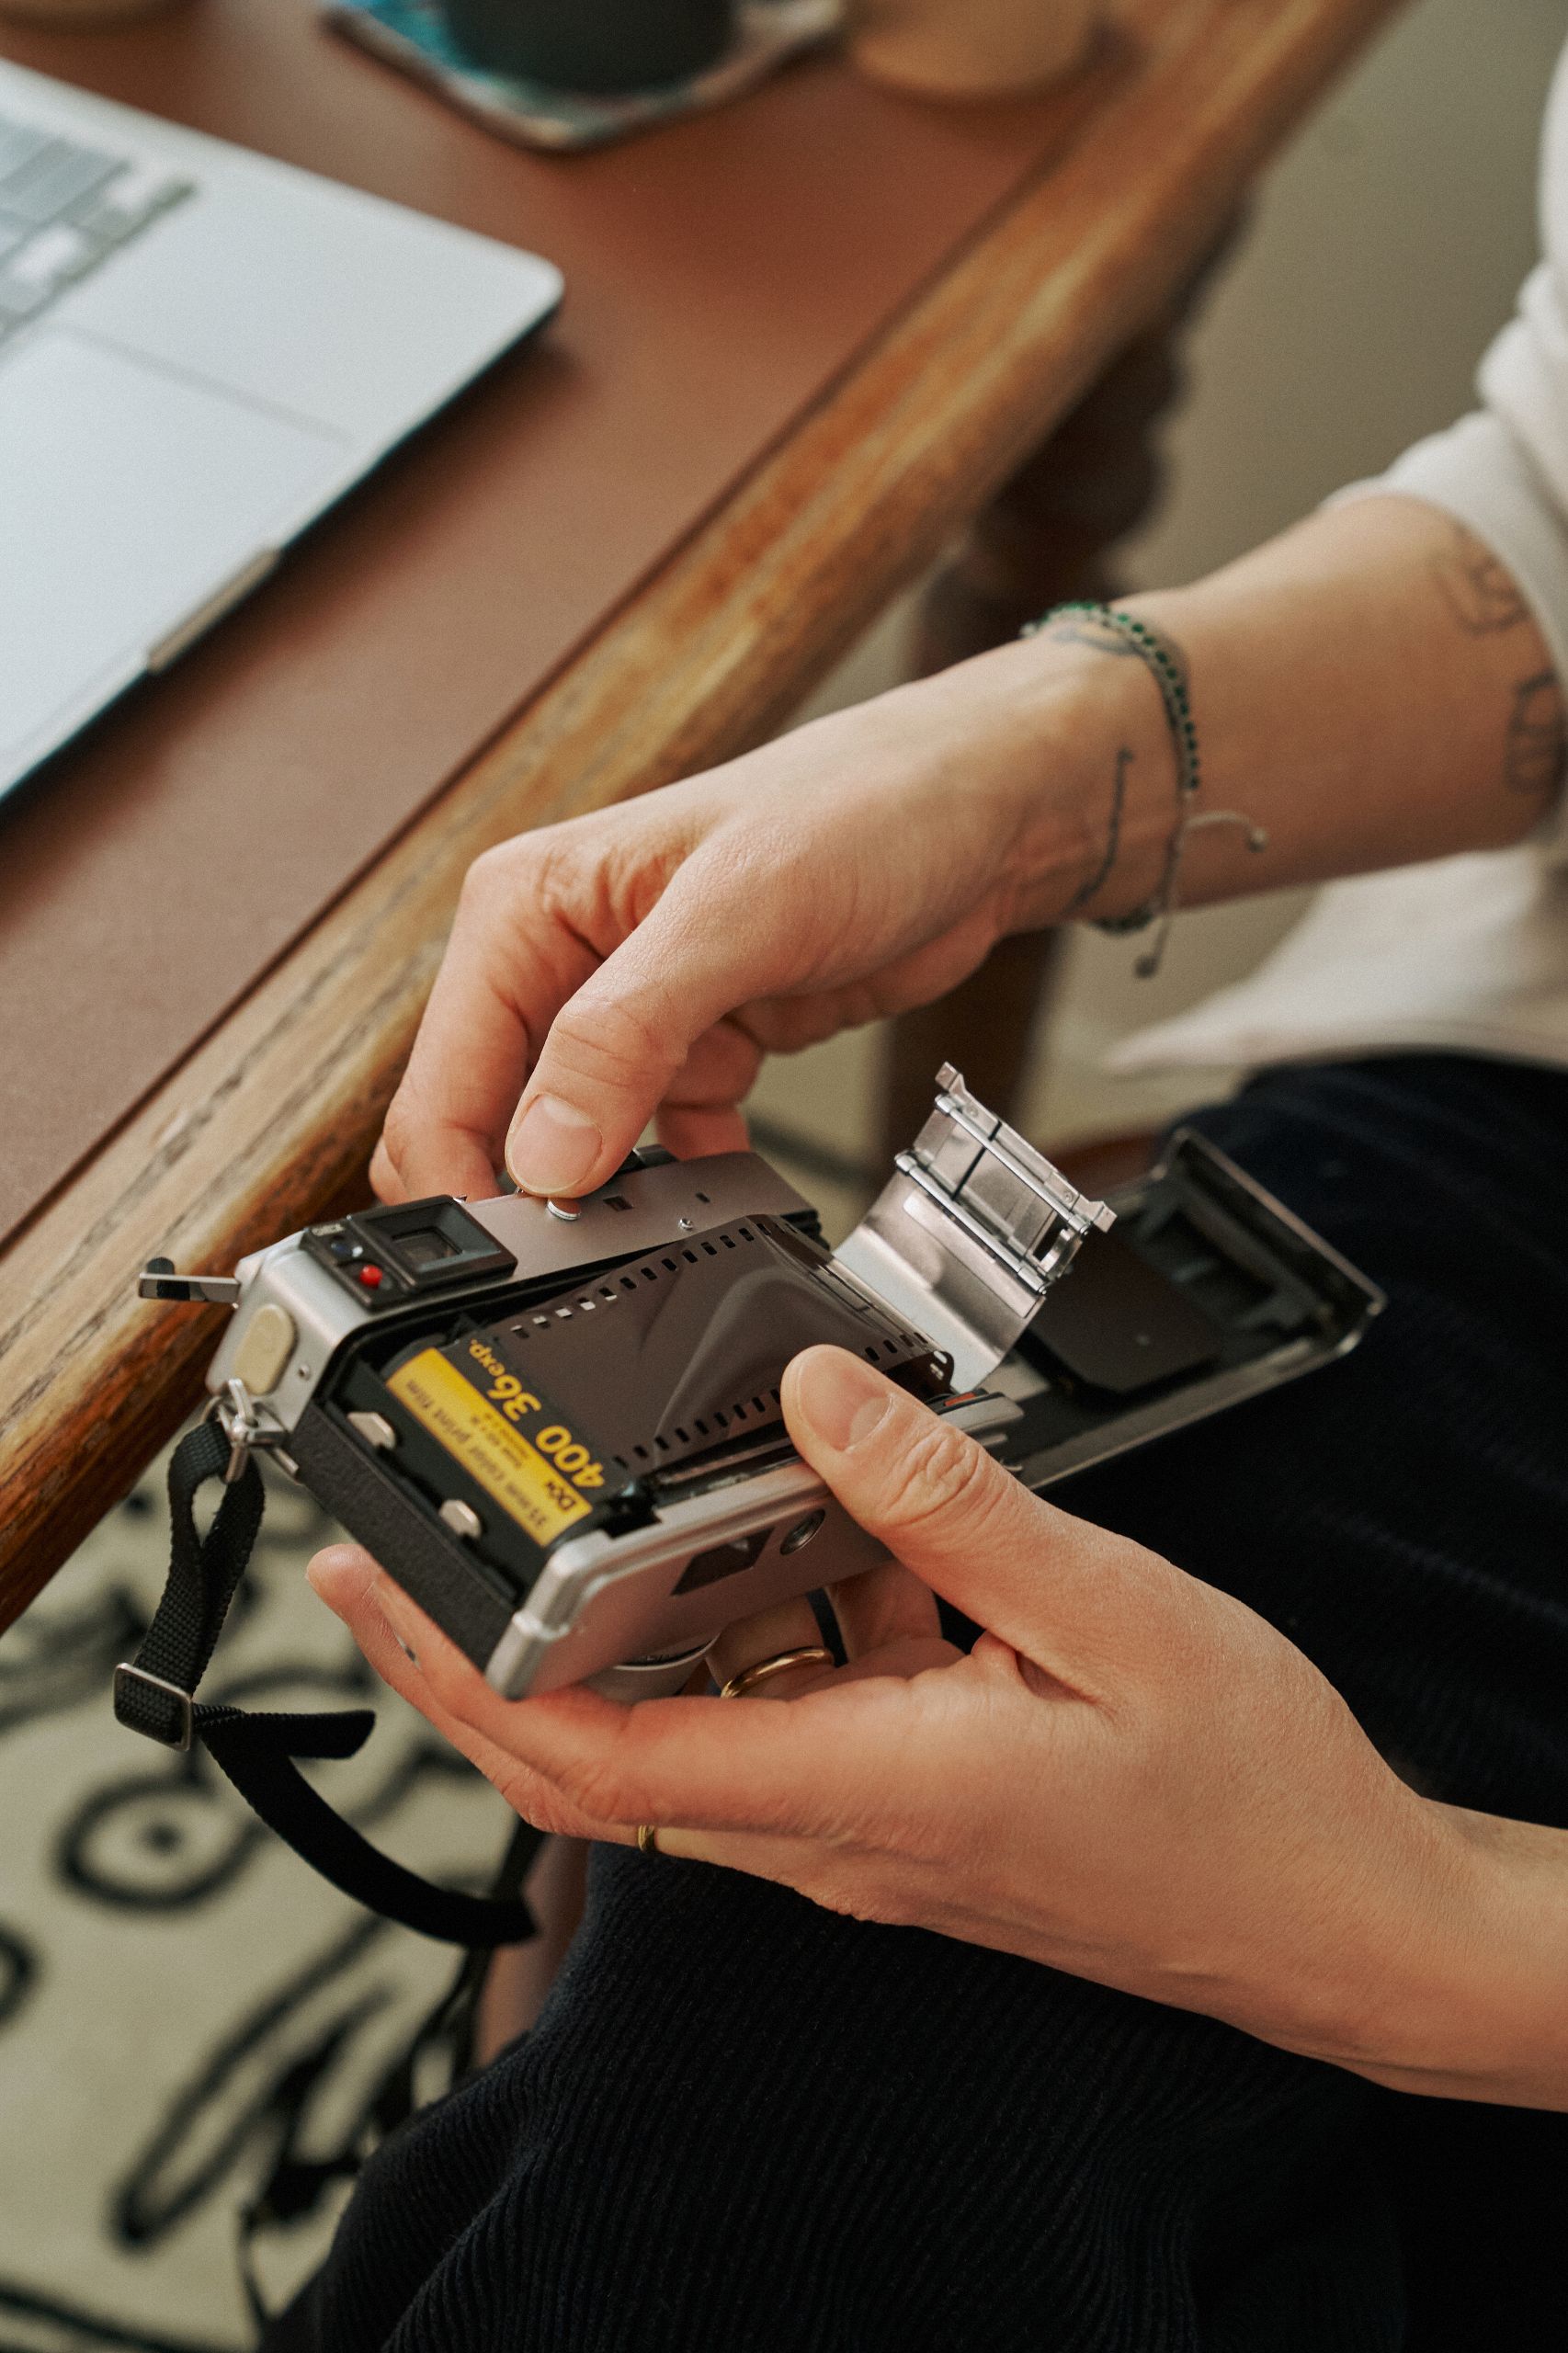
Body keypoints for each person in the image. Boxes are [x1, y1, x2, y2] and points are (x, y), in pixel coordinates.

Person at [269, 46, 1568, 2353]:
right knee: (729, 2134)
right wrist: (1005, 761)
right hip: (1518, 1129)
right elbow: (1551, 528)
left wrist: (1414, 1932)